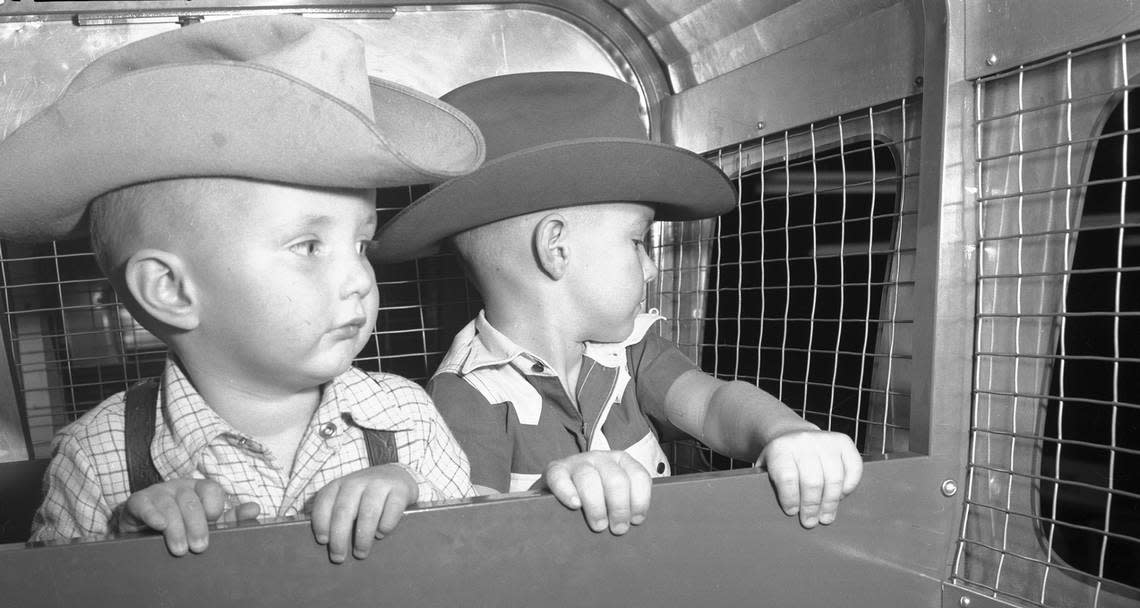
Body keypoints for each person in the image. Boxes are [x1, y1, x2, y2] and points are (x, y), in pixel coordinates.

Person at [0, 18, 636, 562]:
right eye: (309, 247)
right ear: (169, 289)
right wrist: (125, 552)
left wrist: (546, 497)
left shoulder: (406, 418)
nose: (360, 278)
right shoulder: (99, 455)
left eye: (361, 244)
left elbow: (484, 564)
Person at [371, 72, 864, 528]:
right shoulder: (467, 393)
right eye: (637, 241)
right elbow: (468, 525)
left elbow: (713, 403)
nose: (651, 267)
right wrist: (553, 490)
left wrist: (785, 433)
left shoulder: (631, 348)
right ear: (556, 250)